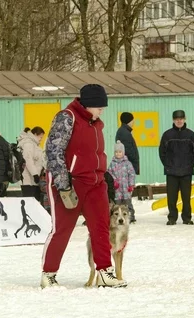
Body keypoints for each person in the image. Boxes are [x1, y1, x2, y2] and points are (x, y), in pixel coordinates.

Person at [41, 83, 125, 288]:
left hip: (95, 183)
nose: (102, 110)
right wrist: (63, 185)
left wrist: (104, 178)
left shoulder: (95, 123)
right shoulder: (66, 118)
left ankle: (105, 271)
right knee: (62, 229)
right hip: (71, 182)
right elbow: (54, 152)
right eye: (99, 107)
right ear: (88, 104)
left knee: (101, 227)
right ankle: (48, 274)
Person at [159, 109, 194, 225]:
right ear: (173, 120)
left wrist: (190, 164)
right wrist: (167, 165)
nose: (179, 121)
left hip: (186, 171)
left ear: (184, 119)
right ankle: (172, 218)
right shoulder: (167, 135)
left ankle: (187, 218)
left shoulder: (191, 135)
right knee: (172, 198)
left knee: (186, 197)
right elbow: (162, 152)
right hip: (171, 171)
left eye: (181, 119)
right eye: (177, 119)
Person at [116, 112, 139, 220]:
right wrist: (131, 166)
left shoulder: (124, 132)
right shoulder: (124, 133)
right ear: (128, 120)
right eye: (132, 120)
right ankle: (128, 215)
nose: (133, 122)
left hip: (126, 169)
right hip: (125, 170)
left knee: (125, 195)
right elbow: (129, 151)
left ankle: (127, 214)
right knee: (125, 195)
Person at [108, 141, 136, 222]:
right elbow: (109, 174)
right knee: (117, 205)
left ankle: (131, 217)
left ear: (123, 152)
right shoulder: (112, 164)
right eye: (116, 152)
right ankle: (117, 218)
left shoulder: (127, 163)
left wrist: (131, 185)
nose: (118, 154)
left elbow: (132, 174)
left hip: (126, 188)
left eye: (120, 152)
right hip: (117, 189)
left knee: (128, 204)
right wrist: (114, 182)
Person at [18, 126, 46, 202]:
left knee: (35, 202)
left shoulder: (34, 145)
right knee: (30, 202)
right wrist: (35, 175)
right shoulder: (28, 144)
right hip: (28, 180)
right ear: (36, 134)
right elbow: (28, 160)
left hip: (33, 181)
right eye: (40, 137)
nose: (41, 139)